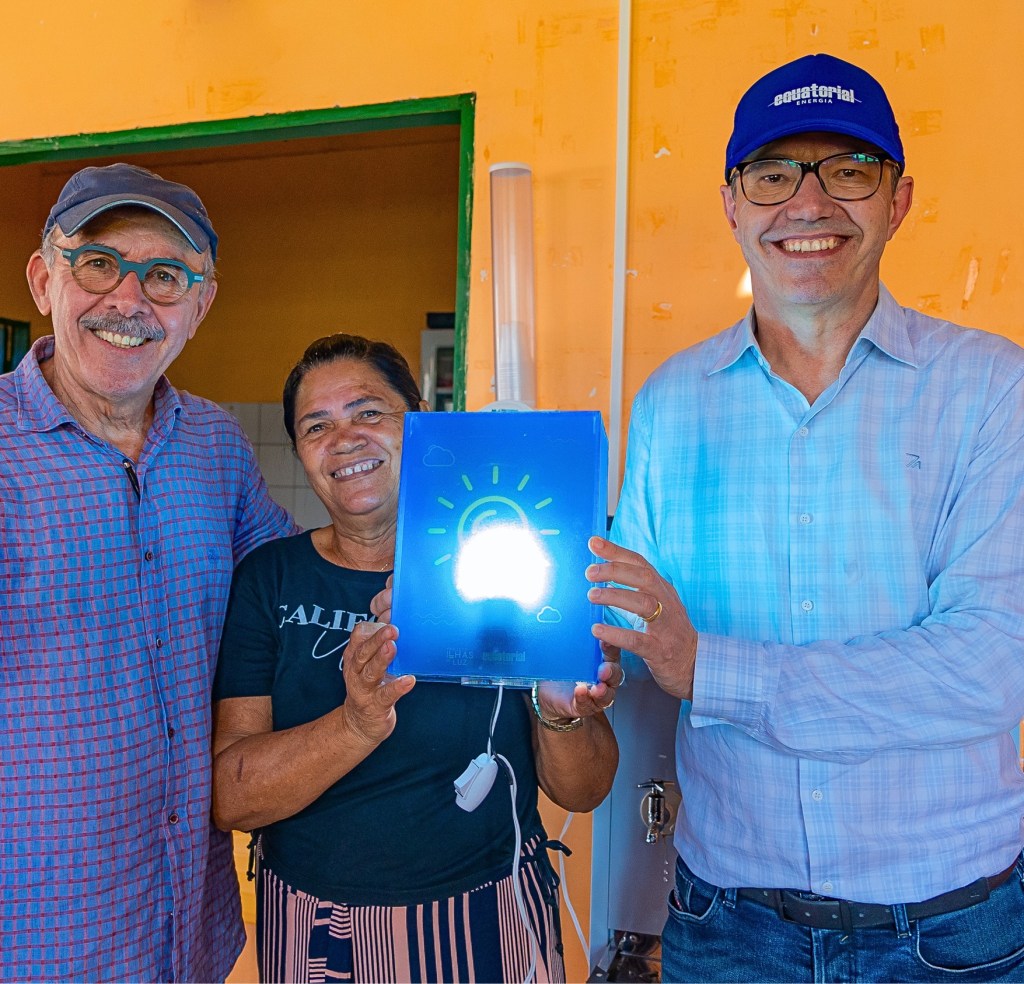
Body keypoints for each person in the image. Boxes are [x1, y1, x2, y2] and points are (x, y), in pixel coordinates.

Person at [586, 53, 1024, 982]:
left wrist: (712, 668)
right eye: (775, 173)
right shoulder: (671, 402)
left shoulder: (992, 388)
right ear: (733, 203)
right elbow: (631, 622)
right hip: (727, 923)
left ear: (898, 200)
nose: (809, 204)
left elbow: (994, 662)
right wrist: (531, 629)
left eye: (849, 170)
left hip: (952, 928)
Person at [212, 333, 621, 984]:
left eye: (369, 412)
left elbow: (586, 790)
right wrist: (355, 723)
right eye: (316, 426)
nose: (345, 438)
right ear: (300, 453)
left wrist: (559, 714)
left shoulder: (512, 566)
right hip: (315, 927)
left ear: (424, 423)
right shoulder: (271, 579)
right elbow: (232, 797)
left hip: (489, 917)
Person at [0, 163, 296, 982]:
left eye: (165, 276)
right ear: (43, 278)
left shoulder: (215, 446)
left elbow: (295, 587)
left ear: (199, 307)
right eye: (98, 263)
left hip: (185, 928)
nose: (129, 301)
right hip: (35, 934)